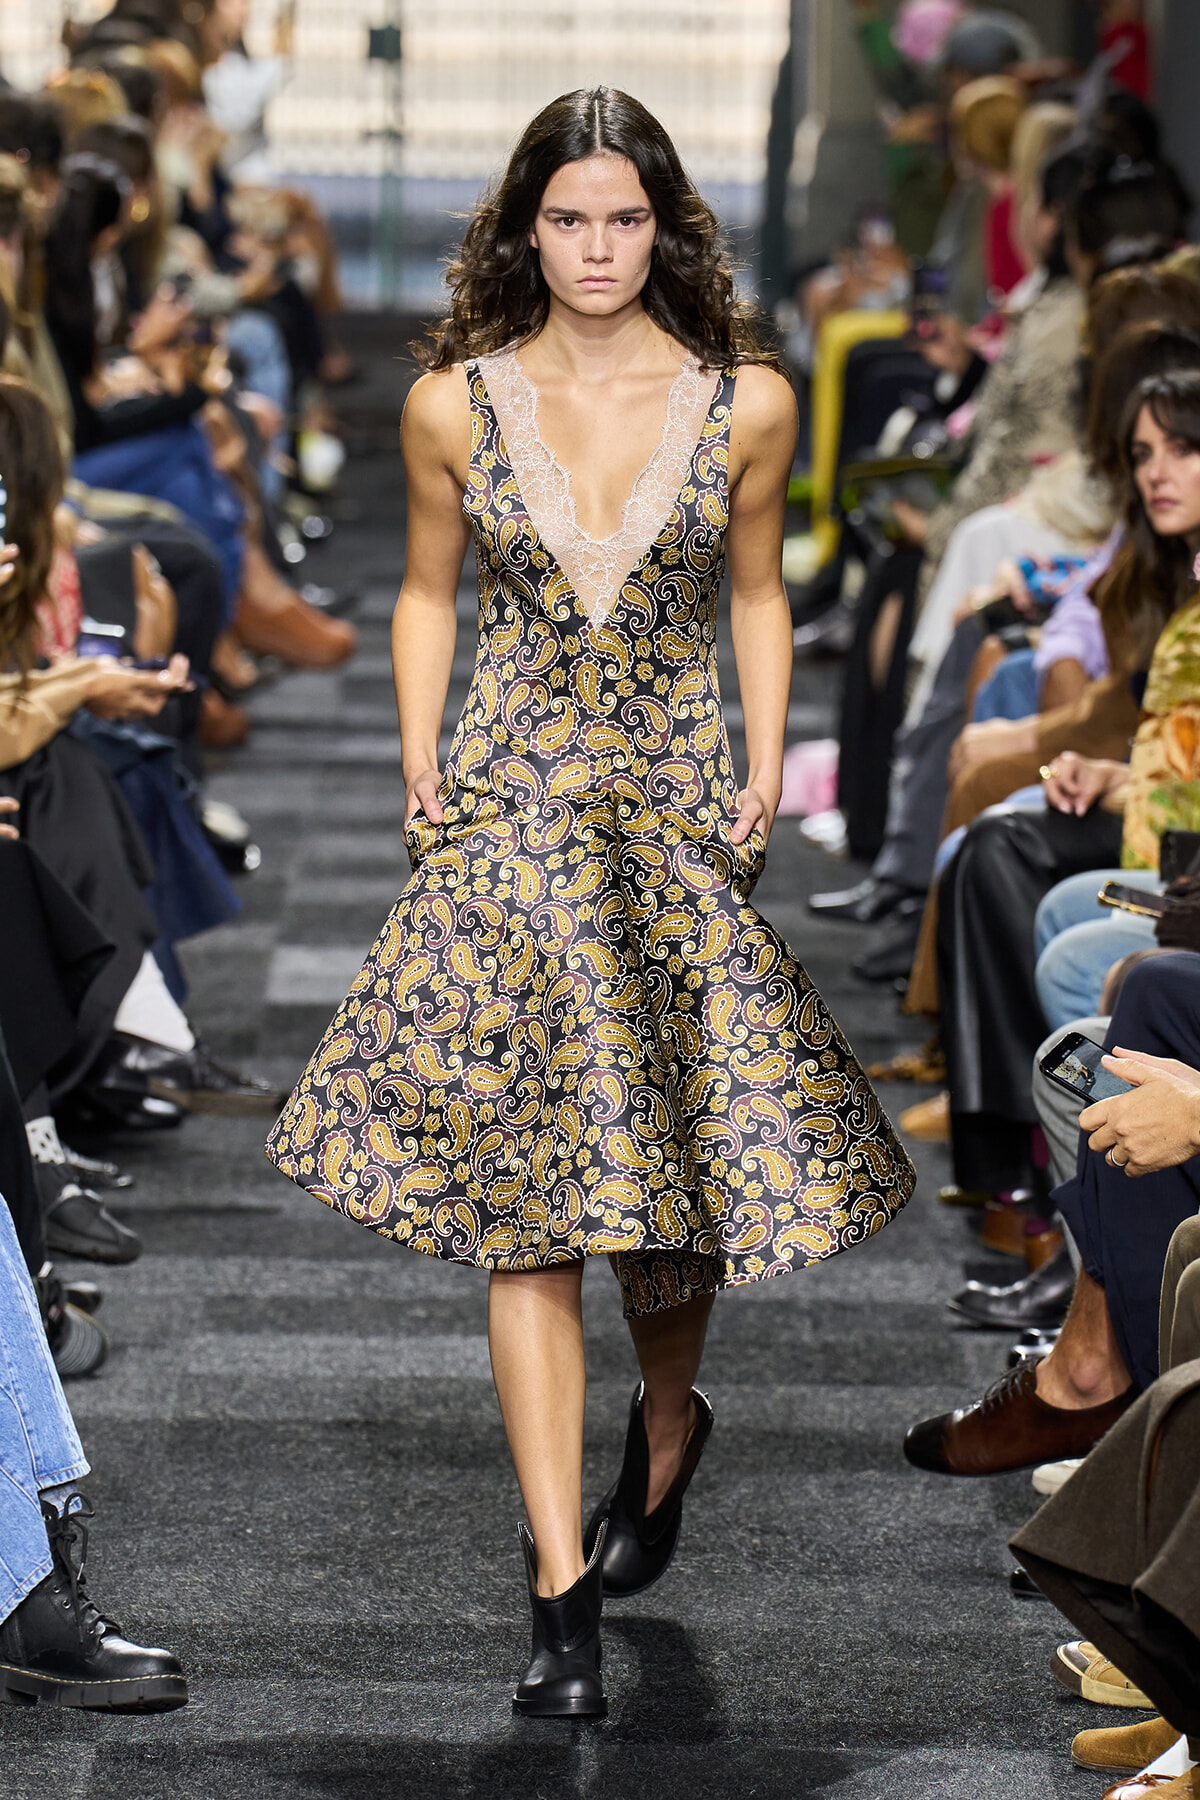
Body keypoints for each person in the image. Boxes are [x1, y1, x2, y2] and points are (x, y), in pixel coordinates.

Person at [265, 86, 916, 1718]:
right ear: (524, 228)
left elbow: (758, 591)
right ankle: (558, 1590)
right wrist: (418, 762)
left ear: (666, 226)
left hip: (680, 805)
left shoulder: (747, 404)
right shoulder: (450, 406)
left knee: (666, 1187)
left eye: (624, 219)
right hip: (508, 804)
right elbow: (426, 592)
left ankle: (671, 1421)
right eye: (569, 220)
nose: (598, 248)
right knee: (533, 1204)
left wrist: (773, 763)